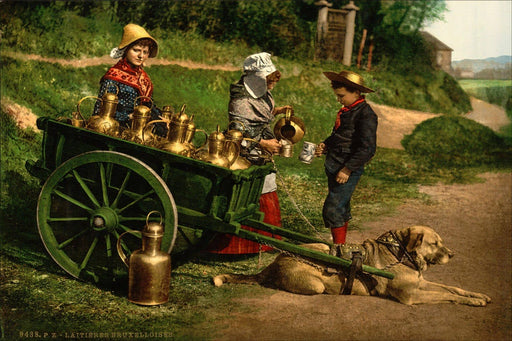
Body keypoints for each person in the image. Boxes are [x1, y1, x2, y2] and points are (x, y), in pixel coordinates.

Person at [207, 52, 292, 254]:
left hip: (261, 148)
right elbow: (238, 134)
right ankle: (238, 248)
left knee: (265, 184)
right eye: (267, 81)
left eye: (272, 82)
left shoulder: (259, 92)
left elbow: (261, 113)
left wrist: (277, 111)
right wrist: (263, 144)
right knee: (247, 189)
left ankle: (264, 243)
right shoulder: (240, 101)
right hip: (244, 151)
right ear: (255, 78)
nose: (270, 86)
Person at [314, 70, 377, 256]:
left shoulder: (366, 114)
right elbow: (341, 136)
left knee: (333, 208)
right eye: (337, 96)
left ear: (356, 93)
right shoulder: (349, 110)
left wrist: (348, 169)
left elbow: (367, 149)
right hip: (335, 166)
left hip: (346, 169)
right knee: (341, 207)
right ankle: (341, 246)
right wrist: (326, 145)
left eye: (341, 96)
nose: (339, 100)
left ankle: (339, 250)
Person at [94, 23, 163, 131]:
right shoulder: (113, 77)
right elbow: (100, 110)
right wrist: (128, 117)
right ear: (126, 50)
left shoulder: (144, 80)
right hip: (114, 128)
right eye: (136, 50)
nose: (141, 56)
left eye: (145, 52)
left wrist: (161, 118)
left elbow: (149, 105)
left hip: (139, 129)